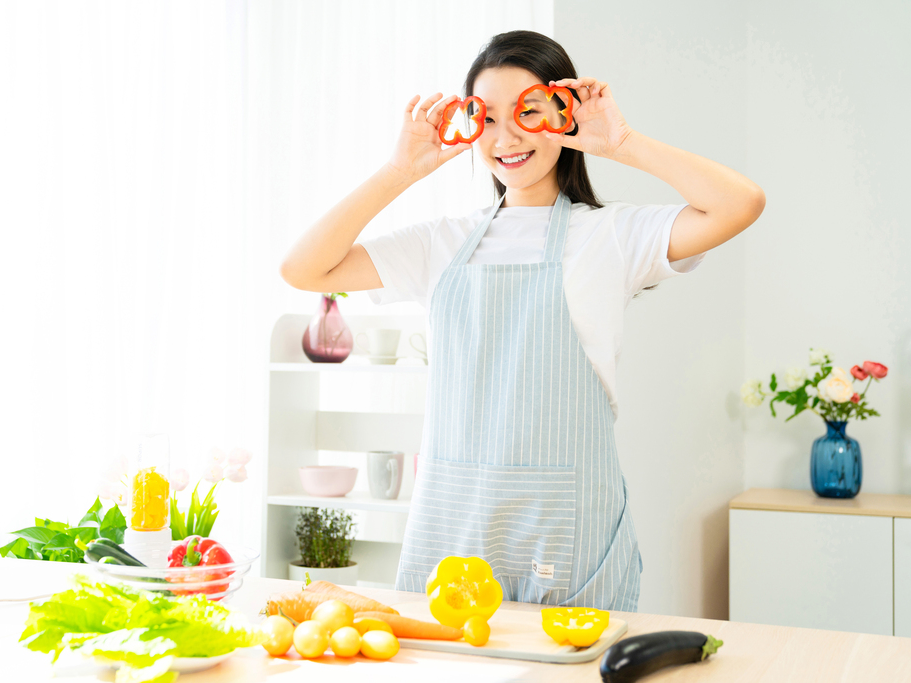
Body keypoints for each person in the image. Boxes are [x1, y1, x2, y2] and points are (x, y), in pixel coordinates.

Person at [280, 30, 764, 611]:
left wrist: (623, 142)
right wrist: (399, 171)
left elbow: (742, 203)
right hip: (454, 525)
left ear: (564, 116)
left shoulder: (609, 237)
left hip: (565, 529)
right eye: (486, 119)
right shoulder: (443, 242)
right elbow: (304, 268)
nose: (505, 137)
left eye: (528, 112)